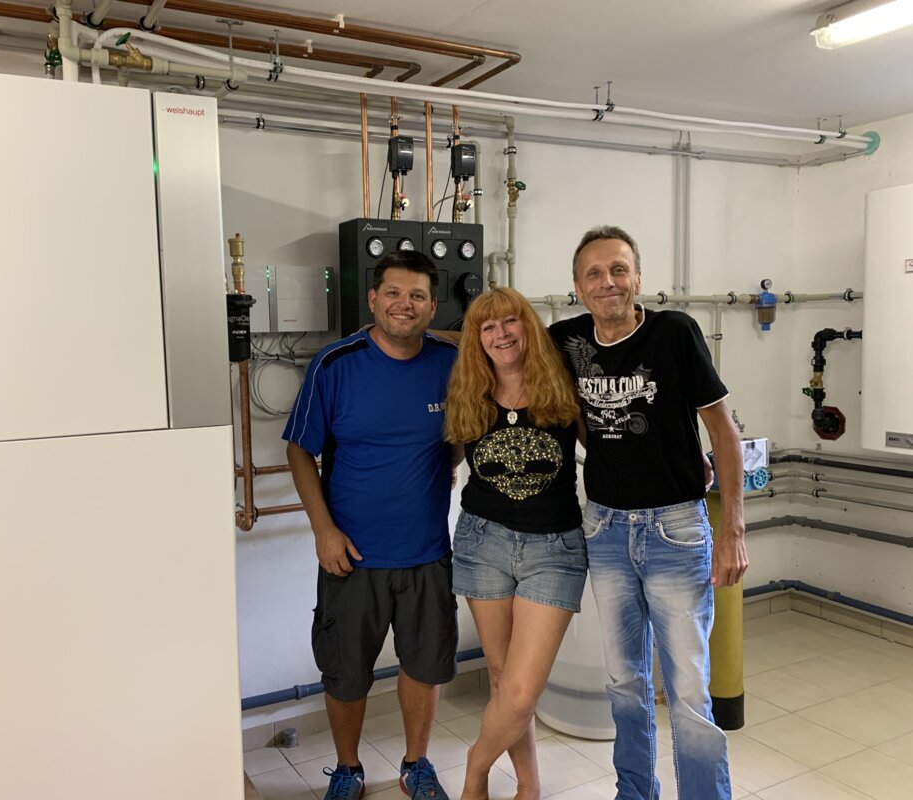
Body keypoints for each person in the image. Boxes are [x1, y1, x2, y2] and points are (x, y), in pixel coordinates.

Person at [549, 225, 748, 800]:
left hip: (676, 529)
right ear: (578, 287)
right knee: (624, 682)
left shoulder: (674, 332)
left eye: (619, 269)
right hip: (606, 528)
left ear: (637, 278)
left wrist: (732, 529)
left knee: (688, 691)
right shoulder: (565, 340)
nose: (607, 282)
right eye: (594, 273)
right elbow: (499, 337)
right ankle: (635, 791)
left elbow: (724, 433)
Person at [284, 249, 459, 800]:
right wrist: (323, 531)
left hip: (428, 553)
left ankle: (416, 764)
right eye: (394, 293)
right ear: (373, 299)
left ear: (432, 306)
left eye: (417, 296)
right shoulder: (335, 364)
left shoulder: (451, 363)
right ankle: (347, 769)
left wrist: (447, 464)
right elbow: (298, 450)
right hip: (351, 555)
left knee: (424, 668)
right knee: (346, 673)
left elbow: (460, 436)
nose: (404, 304)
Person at [444, 287, 587, 800]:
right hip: (482, 541)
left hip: (555, 547)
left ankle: (475, 768)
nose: (501, 334)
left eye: (511, 322)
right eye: (488, 327)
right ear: (476, 339)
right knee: (504, 678)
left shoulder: (563, 386)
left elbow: (615, 449)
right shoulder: (469, 392)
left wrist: (684, 460)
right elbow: (444, 461)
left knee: (522, 691)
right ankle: (529, 786)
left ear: (530, 326)